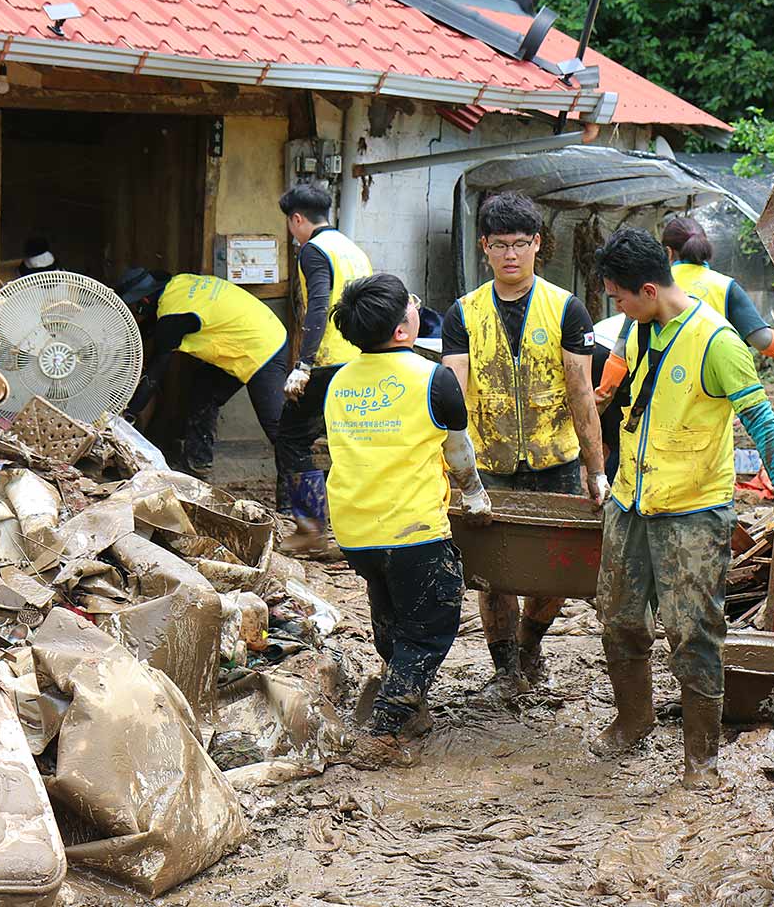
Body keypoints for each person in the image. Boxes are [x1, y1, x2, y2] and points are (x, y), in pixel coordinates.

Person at [590, 227, 774, 788]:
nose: (615, 307)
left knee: (693, 630)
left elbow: (763, 423)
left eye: (617, 296)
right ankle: (633, 721)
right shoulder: (640, 329)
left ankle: (701, 760)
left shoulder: (718, 342)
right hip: (629, 500)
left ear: (647, 289)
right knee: (617, 617)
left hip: (693, 510)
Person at [323, 272, 493, 768]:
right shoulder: (433, 378)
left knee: (391, 610)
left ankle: (411, 706)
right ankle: (385, 729)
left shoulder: (337, 382)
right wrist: (476, 497)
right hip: (413, 528)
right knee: (430, 623)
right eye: (411, 305)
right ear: (403, 329)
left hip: (355, 528)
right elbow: (458, 453)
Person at [441, 192, 607, 691]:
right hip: (487, 462)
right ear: (484, 249)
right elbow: (453, 394)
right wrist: (458, 470)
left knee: (555, 572)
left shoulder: (567, 309)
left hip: (555, 458)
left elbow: (581, 393)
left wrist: (596, 469)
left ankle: (531, 639)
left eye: (520, 244)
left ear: (538, 244)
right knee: (493, 573)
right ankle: (506, 669)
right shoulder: (463, 313)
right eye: (499, 245)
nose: (510, 255)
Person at [115, 268, 289, 483]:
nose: (136, 312)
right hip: (260, 328)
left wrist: (128, 414)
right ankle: (198, 465)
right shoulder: (179, 283)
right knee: (203, 392)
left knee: (277, 428)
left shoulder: (172, 316)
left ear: (145, 301)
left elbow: (154, 374)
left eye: (135, 307)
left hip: (263, 347)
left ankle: (294, 499)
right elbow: (151, 327)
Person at [596, 216, 774, 404]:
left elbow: (621, 350)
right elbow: (762, 341)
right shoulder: (725, 286)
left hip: (655, 398)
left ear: (668, 252)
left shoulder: (650, 285)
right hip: (704, 396)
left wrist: (604, 394)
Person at [276, 182, 374, 554]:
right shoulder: (352, 249)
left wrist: (303, 362)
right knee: (347, 444)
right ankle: (355, 531)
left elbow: (318, 306)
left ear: (297, 219)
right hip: (360, 360)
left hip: (327, 361)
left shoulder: (313, 251)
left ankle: (310, 530)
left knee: (292, 438)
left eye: (290, 224)